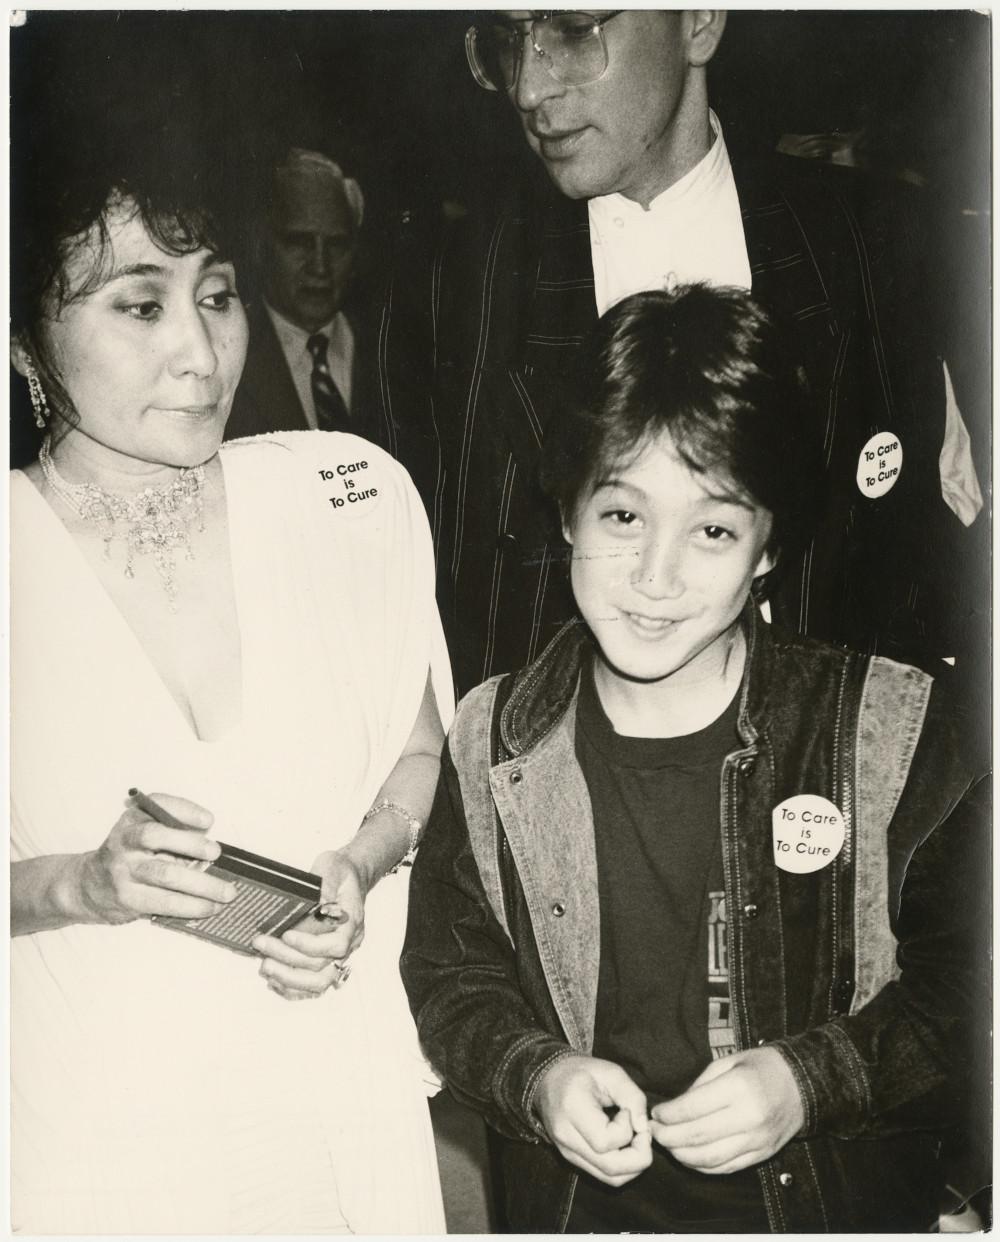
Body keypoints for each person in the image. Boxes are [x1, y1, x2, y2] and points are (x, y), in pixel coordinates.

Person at [401, 285, 989, 1233]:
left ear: (768, 549)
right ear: (566, 516)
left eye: (713, 529)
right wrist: (536, 1077)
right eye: (623, 518)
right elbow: (448, 975)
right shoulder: (492, 738)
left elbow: (971, 984)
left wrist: (813, 1079)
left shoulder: (892, 726)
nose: (657, 578)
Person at [10, 139, 452, 1234]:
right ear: (26, 345)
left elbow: (417, 748)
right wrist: (79, 886)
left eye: (216, 297)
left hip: (337, 1113)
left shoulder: (345, 495)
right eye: (139, 306)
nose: (202, 355)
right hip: (100, 1137)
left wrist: (360, 860)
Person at [373, 10, 985, 698]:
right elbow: (407, 627)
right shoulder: (448, 291)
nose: (527, 86)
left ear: (699, 23)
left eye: (573, 30)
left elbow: (941, 576)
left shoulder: (877, 243)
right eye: (509, 39)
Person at [225, 147, 367, 439]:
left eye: (337, 244)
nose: (320, 266)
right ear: (261, 246)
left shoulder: (404, 355)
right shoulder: (227, 356)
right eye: (299, 242)